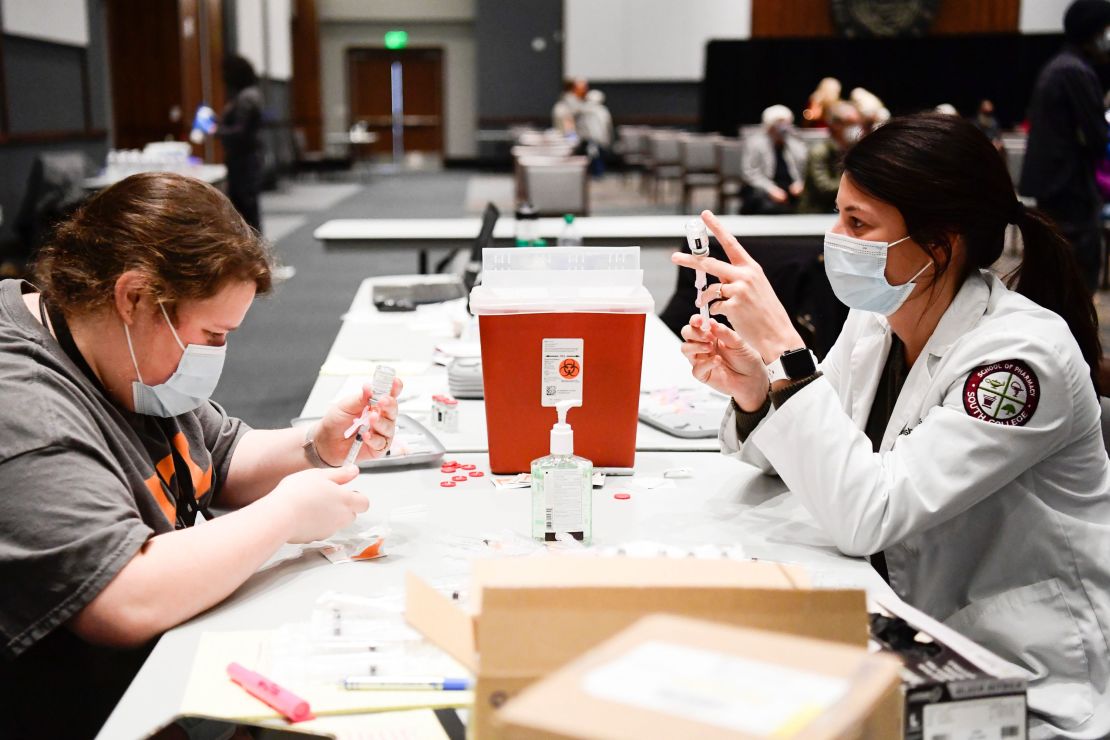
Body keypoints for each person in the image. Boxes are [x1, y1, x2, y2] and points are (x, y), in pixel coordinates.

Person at [674, 113, 1108, 738]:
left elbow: (868, 513)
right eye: (839, 215)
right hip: (907, 621)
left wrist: (787, 355)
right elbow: (822, 459)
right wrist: (755, 393)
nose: (836, 238)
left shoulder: (1019, 361)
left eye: (858, 224)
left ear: (940, 243)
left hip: (1021, 666)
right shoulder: (881, 319)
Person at [0, 173, 401, 738]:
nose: (218, 354)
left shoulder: (121, 352)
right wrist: (285, 514)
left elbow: (220, 453)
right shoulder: (27, 409)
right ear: (134, 297)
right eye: (212, 334)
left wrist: (316, 445)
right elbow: (122, 599)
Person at [1020, 0, 1110, 294]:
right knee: (1075, 278)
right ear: (1095, 31)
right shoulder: (1075, 71)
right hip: (1068, 191)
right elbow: (1097, 136)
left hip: (1057, 189)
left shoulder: (1060, 66)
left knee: (1055, 274)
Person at [218, 55, 265, 232]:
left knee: (246, 209)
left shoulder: (246, 97)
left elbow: (240, 131)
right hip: (246, 158)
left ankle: (253, 253)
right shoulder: (250, 94)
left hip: (244, 160)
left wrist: (216, 130)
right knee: (247, 208)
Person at [740, 105, 807, 215]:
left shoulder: (795, 143)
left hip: (790, 188)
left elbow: (804, 169)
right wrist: (771, 189)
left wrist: (800, 183)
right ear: (769, 125)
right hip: (765, 187)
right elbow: (750, 173)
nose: (783, 127)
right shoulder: (755, 143)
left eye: (786, 123)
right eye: (779, 123)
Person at [799, 101, 862, 214]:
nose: (856, 128)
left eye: (857, 123)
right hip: (817, 213)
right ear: (836, 125)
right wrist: (857, 183)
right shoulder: (819, 151)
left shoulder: (853, 149)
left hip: (841, 210)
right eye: (851, 123)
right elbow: (823, 187)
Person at [578, 88, 614, 176]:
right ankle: (597, 174)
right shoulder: (601, 111)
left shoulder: (585, 110)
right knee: (596, 159)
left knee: (596, 158)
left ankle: (597, 174)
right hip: (596, 139)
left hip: (594, 139)